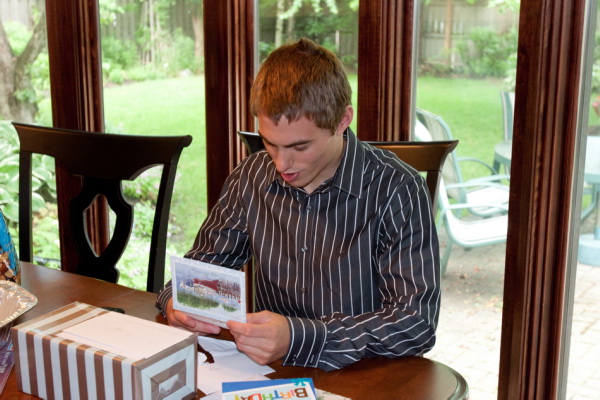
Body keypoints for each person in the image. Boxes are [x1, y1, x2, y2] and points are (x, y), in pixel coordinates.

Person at [156, 37, 440, 371]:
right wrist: (178, 300)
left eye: (300, 147)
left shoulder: (397, 189)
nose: (281, 163)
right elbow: (204, 269)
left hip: (363, 375)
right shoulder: (252, 175)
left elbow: (414, 324)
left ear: (343, 120)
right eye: (269, 143)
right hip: (269, 371)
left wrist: (299, 337)